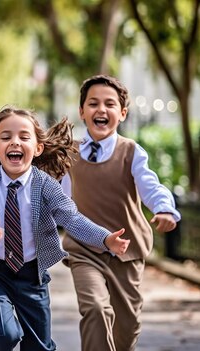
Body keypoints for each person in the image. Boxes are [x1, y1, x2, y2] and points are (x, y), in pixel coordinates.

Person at [0, 106, 131, 351]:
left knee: (39, 346)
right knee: (4, 336)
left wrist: (105, 239)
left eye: (24, 137)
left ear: (37, 148)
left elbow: (72, 219)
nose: (14, 142)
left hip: (32, 275)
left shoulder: (45, 186)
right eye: (5, 137)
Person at [60, 75, 180, 351]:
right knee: (95, 309)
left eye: (110, 104)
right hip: (84, 249)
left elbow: (151, 185)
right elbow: (60, 200)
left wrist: (164, 208)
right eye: (93, 103)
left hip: (126, 252)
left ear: (122, 113)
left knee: (125, 331)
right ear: (82, 112)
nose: (101, 110)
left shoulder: (131, 152)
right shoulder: (70, 154)